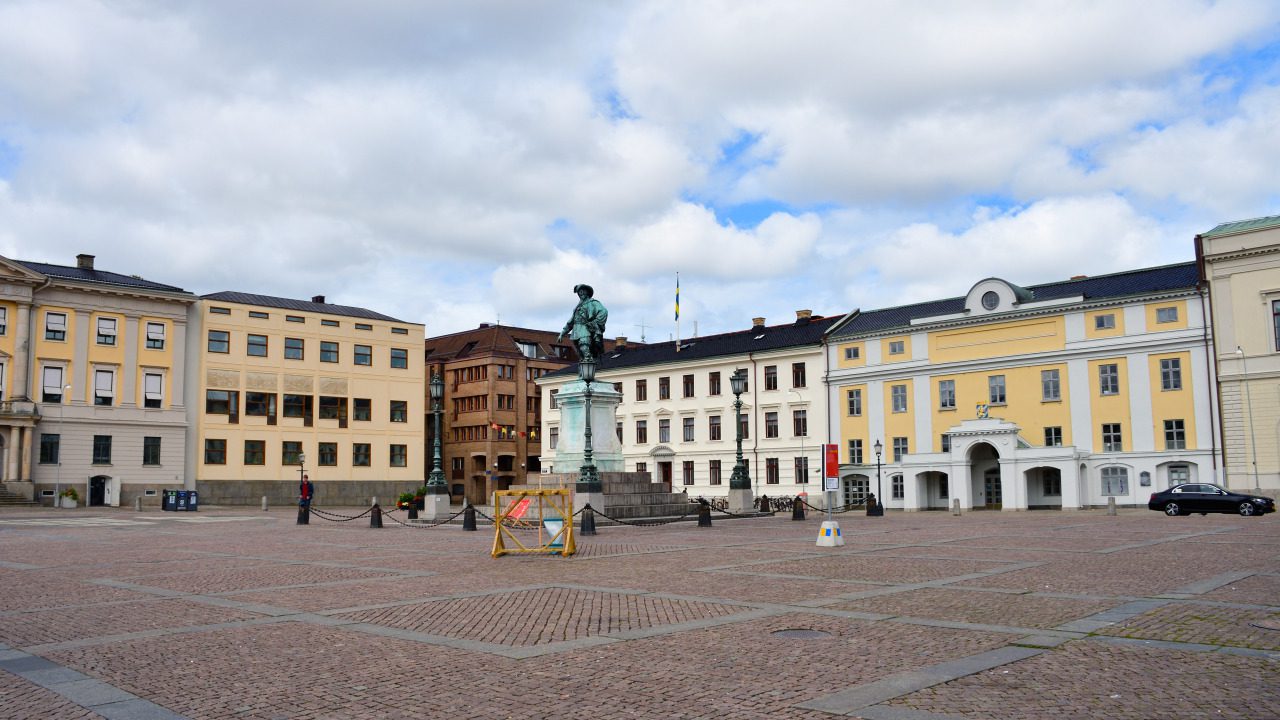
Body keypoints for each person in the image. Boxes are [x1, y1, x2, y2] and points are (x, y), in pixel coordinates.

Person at [558, 284, 608, 361]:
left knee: (584, 347)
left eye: (582, 291)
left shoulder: (593, 303)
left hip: (585, 329)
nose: (580, 294)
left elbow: (604, 311)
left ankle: (589, 363)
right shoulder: (577, 307)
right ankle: (585, 366)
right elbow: (571, 322)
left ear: (587, 292)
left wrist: (595, 322)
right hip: (576, 331)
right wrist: (562, 333)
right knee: (581, 354)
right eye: (579, 292)